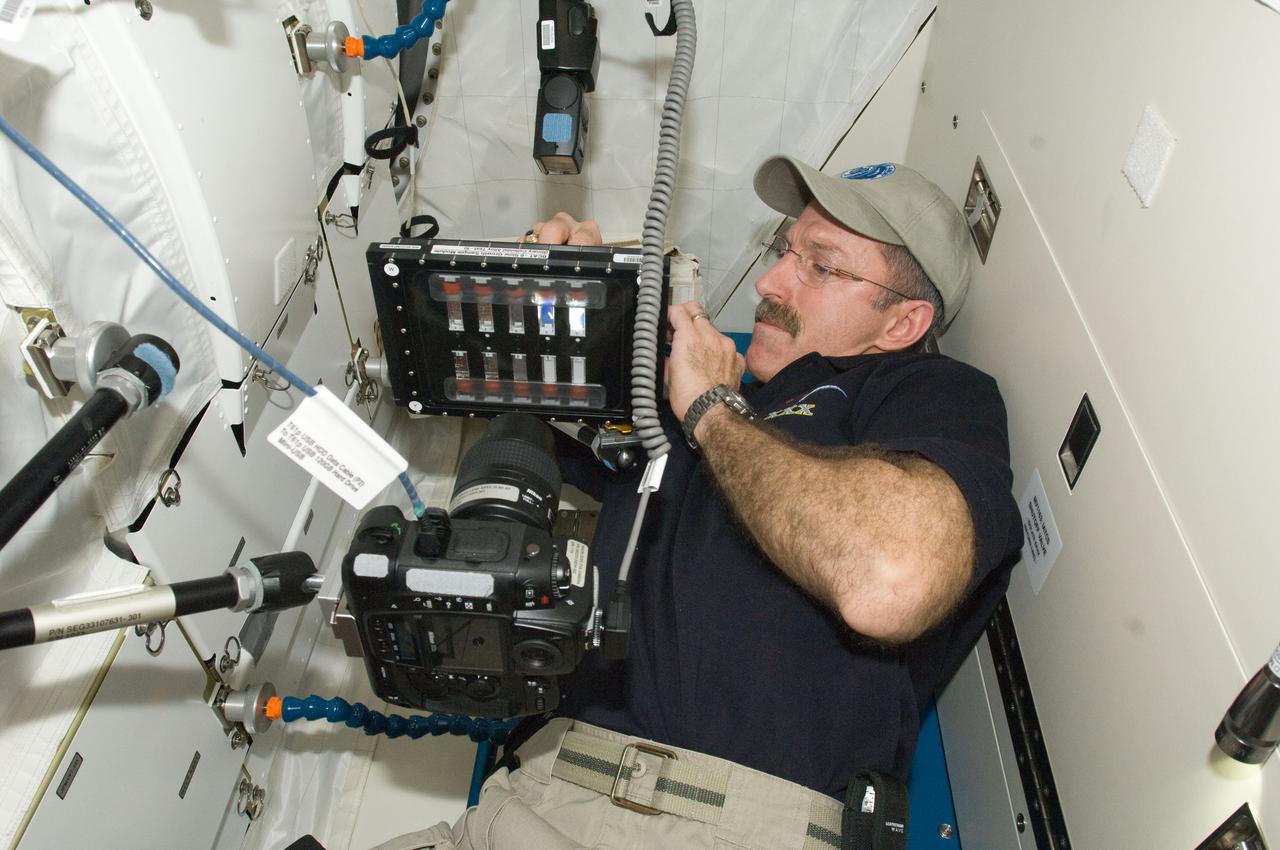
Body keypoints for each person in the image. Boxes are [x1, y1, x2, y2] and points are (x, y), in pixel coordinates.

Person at [379, 157, 1023, 850]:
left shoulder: (929, 396)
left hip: (725, 823)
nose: (769, 284)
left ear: (902, 324)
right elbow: (453, 359)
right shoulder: (696, 401)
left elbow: (891, 577)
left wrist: (712, 411)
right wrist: (553, 291)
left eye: (822, 267)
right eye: (783, 251)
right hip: (533, 793)